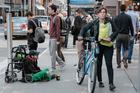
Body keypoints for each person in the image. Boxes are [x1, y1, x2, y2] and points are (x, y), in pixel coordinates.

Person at [78, 7, 118, 91]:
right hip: (98, 45)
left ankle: (111, 83)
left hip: (108, 46)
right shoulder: (94, 22)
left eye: (104, 12)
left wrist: (110, 37)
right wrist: (81, 35)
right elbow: (84, 28)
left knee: (109, 64)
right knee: (98, 64)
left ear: (106, 14)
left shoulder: (110, 21)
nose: (103, 13)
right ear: (98, 14)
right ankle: (100, 81)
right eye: (101, 12)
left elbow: (116, 31)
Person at [48, 4, 65, 71]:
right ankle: (62, 63)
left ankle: (53, 67)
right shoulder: (51, 17)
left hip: (54, 38)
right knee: (52, 53)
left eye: (49, 9)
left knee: (52, 54)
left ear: (53, 10)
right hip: (51, 37)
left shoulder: (56, 17)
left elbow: (58, 29)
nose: (48, 10)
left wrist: (58, 39)